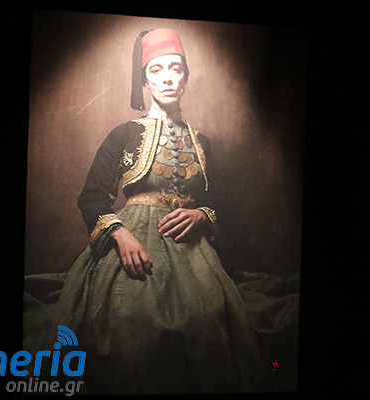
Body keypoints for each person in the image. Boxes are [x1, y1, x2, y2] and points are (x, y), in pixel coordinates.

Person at [24, 28, 265, 394]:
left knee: (206, 315)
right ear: (145, 81)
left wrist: (202, 215)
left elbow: (220, 200)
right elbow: (92, 197)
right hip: (133, 238)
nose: (167, 78)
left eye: (175, 68)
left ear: (185, 77)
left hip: (191, 248)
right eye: (156, 70)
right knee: (127, 316)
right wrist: (120, 235)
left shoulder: (202, 141)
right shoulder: (124, 134)